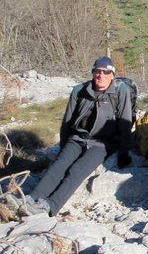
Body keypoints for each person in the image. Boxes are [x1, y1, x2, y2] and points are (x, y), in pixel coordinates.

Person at [13, 56, 132, 216]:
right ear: (93, 73)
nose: (101, 75)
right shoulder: (80, 90)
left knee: (77, 171)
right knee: (59, 165)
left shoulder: (121, 92)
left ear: (112, 75)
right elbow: (67, 121)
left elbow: (125, 123)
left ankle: (50, 206)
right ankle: (31, 198)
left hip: (103, 143)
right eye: (97, 71)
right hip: (78, 138)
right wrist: (63, 146)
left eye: (106, 72)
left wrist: (123, 153)